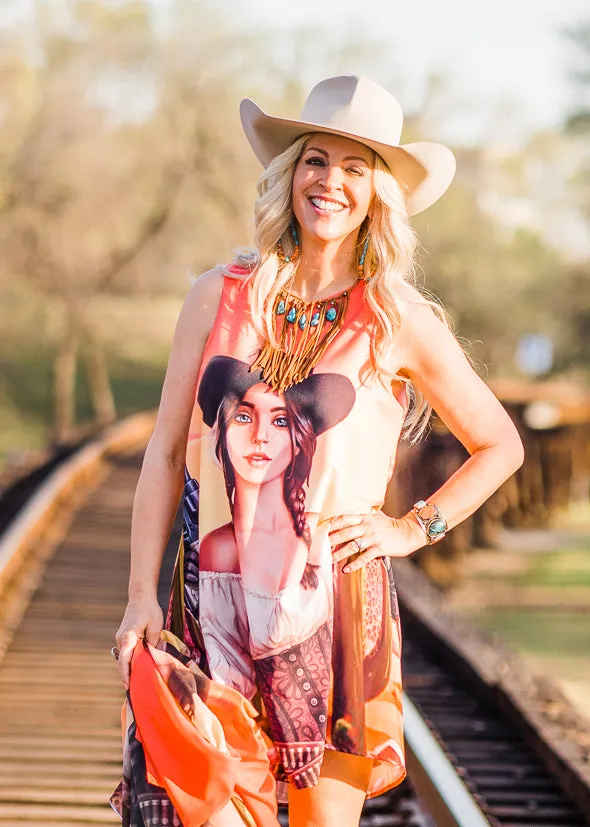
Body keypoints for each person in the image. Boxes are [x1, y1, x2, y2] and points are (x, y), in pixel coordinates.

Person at [114, 75, 524, 827]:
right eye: (316, 160)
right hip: (211, 606)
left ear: (377, 196)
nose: (330, 181)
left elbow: (500, 444)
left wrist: (411, 527)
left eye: (355, 167)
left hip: (332, 614)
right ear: (290, 173)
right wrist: (142, 592)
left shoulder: (396, 317)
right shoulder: (218, 293)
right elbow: (168, 452)